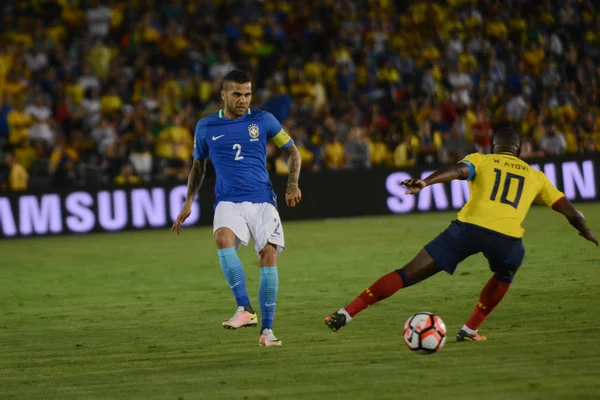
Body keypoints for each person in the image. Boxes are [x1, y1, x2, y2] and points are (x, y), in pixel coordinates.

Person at [324, 127, 597, 341]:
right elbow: (573, 213)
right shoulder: (536, 176)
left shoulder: (482, 160)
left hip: (467, 230)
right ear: (519, 149)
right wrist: (585, 232)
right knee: (505, 273)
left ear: (493, 146)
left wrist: (425, 182)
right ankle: (469, 329)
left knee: (407, 272)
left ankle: (346, 313)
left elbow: (456, 171)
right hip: (506, 238)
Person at [172, 70, 302, 347]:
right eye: (237, 94)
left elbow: (293, 152)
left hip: (263, 200)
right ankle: (245, 309)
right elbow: (198, 166)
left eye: (247, 94)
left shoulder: (263, 120)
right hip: (228, 200)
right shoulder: (206, 126)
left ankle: (267, 331)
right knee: (222, 238)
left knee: (267, 255)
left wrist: (292, 184)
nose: (243, 100)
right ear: (223, 95)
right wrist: (188, 202)